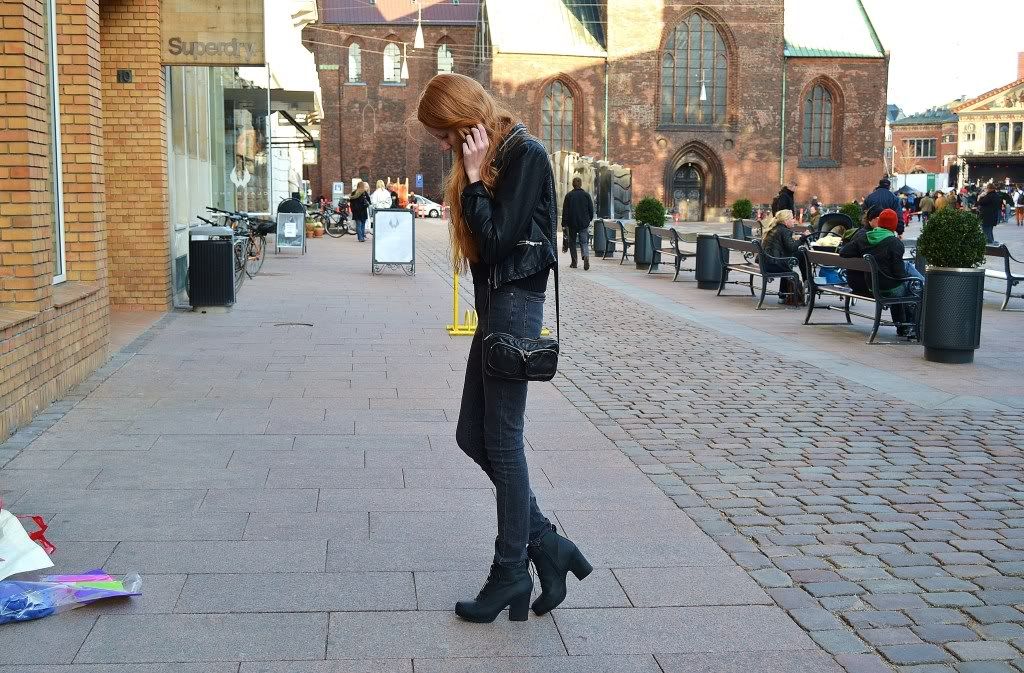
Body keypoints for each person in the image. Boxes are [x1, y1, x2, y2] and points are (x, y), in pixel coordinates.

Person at [417, 72, 591, 624]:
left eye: (445, 133)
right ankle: (545, 544)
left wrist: (472, 179)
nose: (443, 144)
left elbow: (495, 244)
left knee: (503, 440)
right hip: (497, 307)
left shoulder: (524, 155)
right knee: (473, 435)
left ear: (465, 119)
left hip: (516, 307)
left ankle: (512, 567)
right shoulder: (496, 156)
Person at [839, 208, 922, 338]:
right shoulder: (895, 243)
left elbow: (843, 252)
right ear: (894, 225)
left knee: (905, 283)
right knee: (915, 288)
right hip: (889, 289)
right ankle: (911, 328)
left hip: (872, 286)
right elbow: (899, 274)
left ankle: (904, 327)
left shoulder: (865, 238)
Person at [760, 209, 808, 304]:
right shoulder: (785, 231)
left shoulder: (773, 228)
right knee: (801, 255)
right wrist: (803, 238)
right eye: (792, 218)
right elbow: (792, 248)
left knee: (790, 260)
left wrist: (796, 239)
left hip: (766, 264)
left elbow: (783, 246)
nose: (794, 220)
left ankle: (782, 296)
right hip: (775, 265)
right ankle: (807, 282)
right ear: (785, 221)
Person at [561, 177, 594, 270]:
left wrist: (564, 223)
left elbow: (565, 211)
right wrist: (589, 219)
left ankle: (574, 262)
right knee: (584, 242)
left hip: (572, 223)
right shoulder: (586, 195)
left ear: (573, 184)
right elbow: (591, 209)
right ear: (581, 184)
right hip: (584, 223)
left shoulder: (569, 196)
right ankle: (585, 256)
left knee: (572, 243)